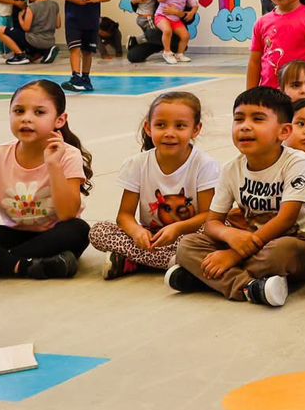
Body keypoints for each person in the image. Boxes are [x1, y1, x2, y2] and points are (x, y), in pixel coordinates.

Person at [168, 87, 305, 306]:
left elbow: (286, 219)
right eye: (239, 119)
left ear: (284, 131)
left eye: (258, 119)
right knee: (187, 245)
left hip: (300, 244)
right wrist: (228, 234)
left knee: (279, 253)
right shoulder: (231, 169)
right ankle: (250, 288)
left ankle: (207, 278)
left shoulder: (296, 162)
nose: (245, 126)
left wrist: (233, 255)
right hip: (250, 241)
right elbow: (212, 222)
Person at [0, 79, 92, 279]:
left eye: (39, 112)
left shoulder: (68, 155)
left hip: (53, 238)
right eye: (19, 111)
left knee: (79, 230)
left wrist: (53, 165)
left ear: (59, 120)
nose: (26, 119)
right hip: (13, 237)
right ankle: (26, 266)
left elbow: (67, 214)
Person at [89, 91, 219, 279]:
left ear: (196, 129)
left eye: (180, 126)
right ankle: (178, 262)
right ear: (148, 128)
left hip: (187, 236)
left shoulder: (204, 164)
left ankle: (132, 260)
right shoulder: (137, 164)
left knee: (215, 233)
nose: (169, 133)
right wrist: (136, 232)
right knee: (98, 231)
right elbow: (124, 215)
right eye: (161, 125)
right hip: (151, 236)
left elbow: (208, 216)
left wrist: (178, 229)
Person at [58, 0, 112, 93]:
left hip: (91, 19)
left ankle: (86, 78)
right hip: (72, 18)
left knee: (87, 50)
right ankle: (75, 77)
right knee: (74, 48)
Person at [155, 0, 199, 65]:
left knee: (185, 36)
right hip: (161, 16)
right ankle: (167, 52)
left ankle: (179, 54)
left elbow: (195, 5)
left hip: (175, 20)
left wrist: (192, 12)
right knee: (167, 30)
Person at [13, 0, 61, 65]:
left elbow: (26, 28)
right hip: (50, 40)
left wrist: (20, 17)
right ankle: (45, 52)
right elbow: (58, 25)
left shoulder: (32, 7)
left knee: (1, 30)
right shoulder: (55, 5)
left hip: (34, 40)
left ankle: (20, 56)